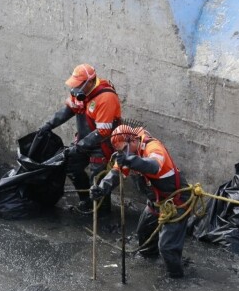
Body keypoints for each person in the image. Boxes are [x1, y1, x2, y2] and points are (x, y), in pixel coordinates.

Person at [90, 124, 190, 278]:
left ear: (134, 140)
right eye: (120, 151)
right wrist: (102, 188)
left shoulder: (153, 148)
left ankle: (175, 277)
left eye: (125, 149)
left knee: (167, 247)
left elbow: (153, 166)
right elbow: (115, 174)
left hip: (176, 201)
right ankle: (150, 259)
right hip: (155, 202)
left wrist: (130, 160)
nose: (123, 153)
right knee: (143, 234)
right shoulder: (127, 154)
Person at [37, 64, 122, 216]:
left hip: (102, 144)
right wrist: (48, 126)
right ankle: (86, 200)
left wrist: (80, 146)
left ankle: (102, 211)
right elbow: (69, 110)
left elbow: (103, 131)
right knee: (70, 165)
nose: (75, 89)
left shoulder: (106, 98)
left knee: (98, 179)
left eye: (78, 85)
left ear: (89, 82)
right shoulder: (80, 93)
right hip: (84, 140)